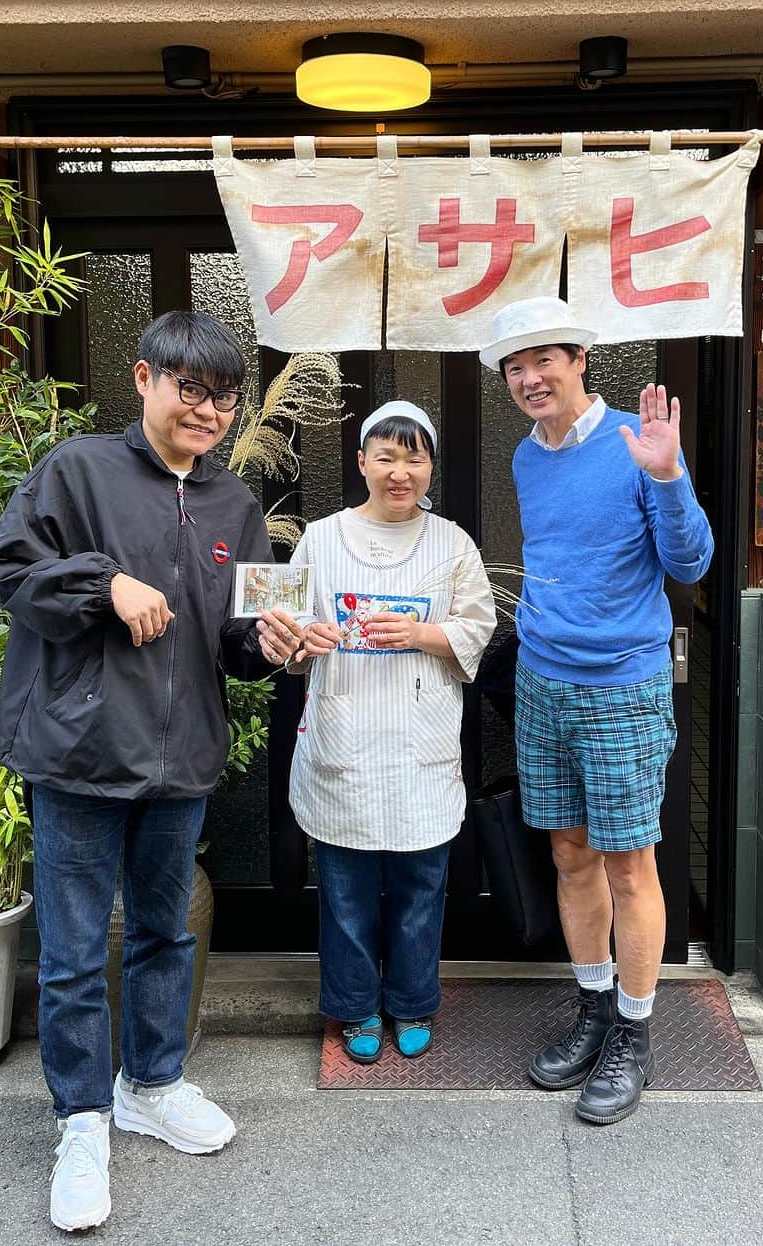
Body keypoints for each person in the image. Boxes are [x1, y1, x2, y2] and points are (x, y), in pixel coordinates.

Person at [0, 311, 303, 1232]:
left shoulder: (236, 506)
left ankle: (151, 1084)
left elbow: (242, 644)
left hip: (181, 759)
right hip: (78, 754)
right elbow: (6, 563)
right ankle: (81, 1121)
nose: (207, 409)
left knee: (164, 935)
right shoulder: (78, 470)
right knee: (77, 953)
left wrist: (274, 643)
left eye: (224, 395)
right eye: (189, 387)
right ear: (145, 380)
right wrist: (102, 582)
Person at [479, 296, 713, 1126]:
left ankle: (636, 1034)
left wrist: (667, 476)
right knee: (570, 854)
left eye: (543, 359)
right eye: (514, 366)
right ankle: (593, 1007)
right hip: (544, 680)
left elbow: (690, 559)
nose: (529, 377)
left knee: (628, 864)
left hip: (622, 684)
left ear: (580, 358)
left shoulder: (631, 447)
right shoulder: (526, 456)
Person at [287, 402, 496, 1063]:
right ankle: (354, 1009)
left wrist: (423, 633)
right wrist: (302, 639)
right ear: (361, 464)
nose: (399, 471)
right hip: (343, 742)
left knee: (418, 890)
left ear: (430, 466)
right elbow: (283, 634)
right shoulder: (320, 538)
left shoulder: (453, 543)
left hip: (420, 748)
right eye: (385, 456)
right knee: (345, 892)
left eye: (413, 457)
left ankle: (411, 1001)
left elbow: (479, 627)